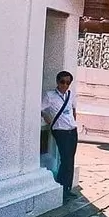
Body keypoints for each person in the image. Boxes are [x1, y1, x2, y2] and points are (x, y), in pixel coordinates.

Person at [41, 71, 79, 199]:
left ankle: (67, 187)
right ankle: (61, 186)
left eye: (68, 83)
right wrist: (47, 118)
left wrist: (73, 122)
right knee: (65, 159)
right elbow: (41, 108)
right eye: (62, 82)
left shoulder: (71, 94)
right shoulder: (50, 96)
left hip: (72, 130)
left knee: (71, 159)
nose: (65, 85)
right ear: (58, 82)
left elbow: (73, 109)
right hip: (60, 130)